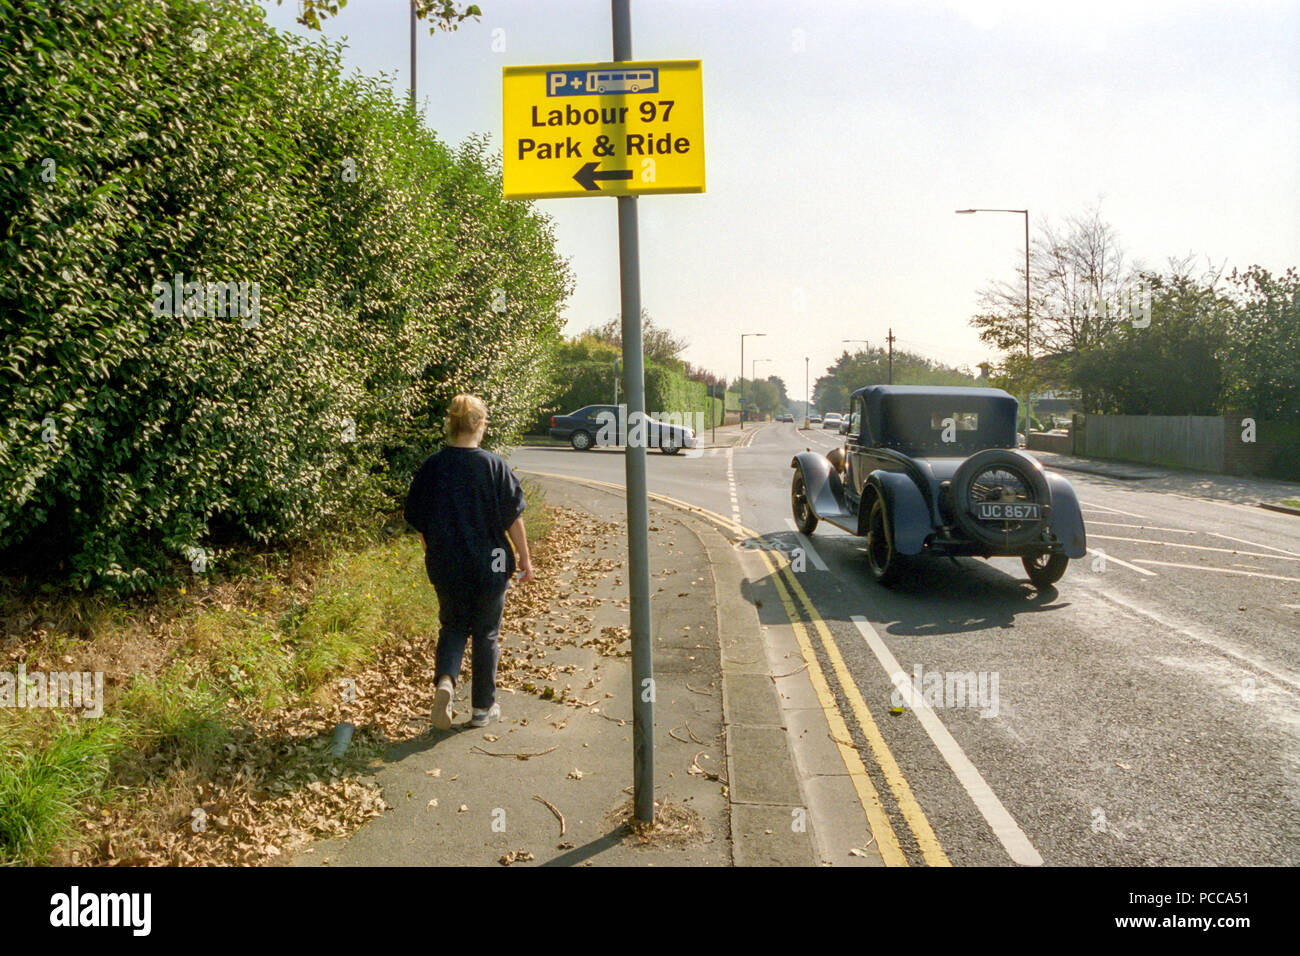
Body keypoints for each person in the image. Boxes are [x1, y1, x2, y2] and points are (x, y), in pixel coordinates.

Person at [404, 395, 534, 730]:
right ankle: (482, 709)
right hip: (491, 560)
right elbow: (512, 518)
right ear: (478, 425)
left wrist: (432, 549)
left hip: (447, 560)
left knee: (453, 625)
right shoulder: (493, 466)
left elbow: (419, 519)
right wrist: (524, 559)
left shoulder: (432, 466)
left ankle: (446, 681)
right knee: (486, 631)